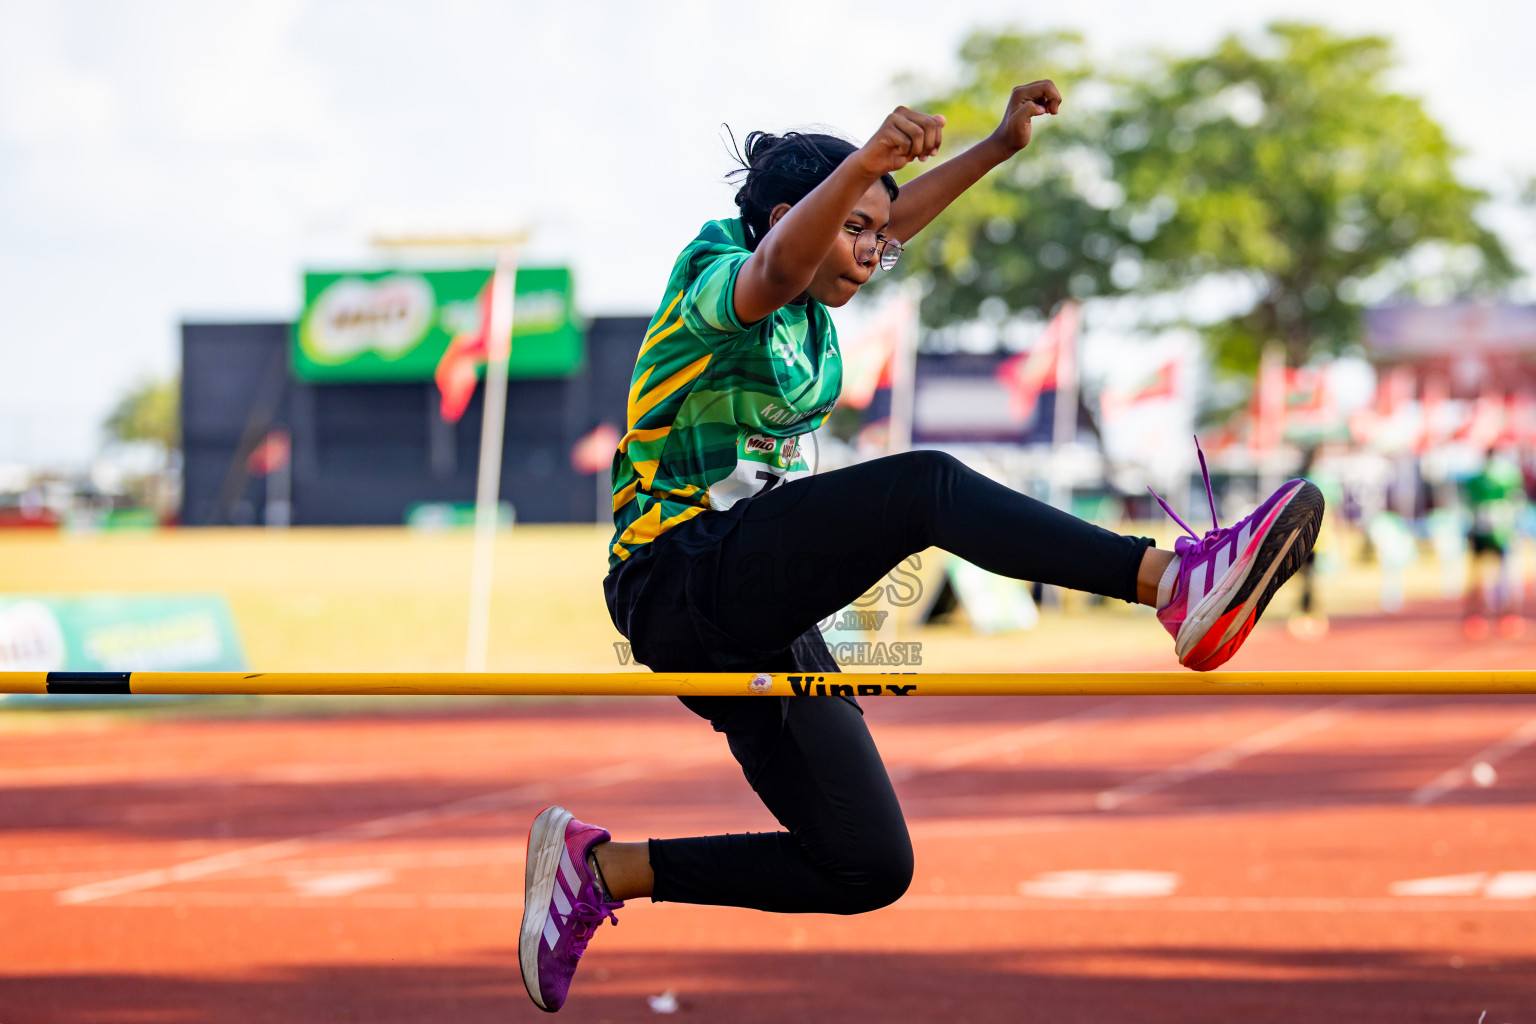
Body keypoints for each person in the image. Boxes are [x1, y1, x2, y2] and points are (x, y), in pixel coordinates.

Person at [519, 81, 1325, 1013]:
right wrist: (864, 161)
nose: (873, 252)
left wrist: (993, 150)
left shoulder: (816, 312)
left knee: (865, 861)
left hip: (746, 601)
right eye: (856, 230)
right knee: (922, 486)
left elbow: (880, 224)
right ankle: (1176, 583)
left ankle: (601, 870)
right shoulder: (719, 275)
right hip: (676, 575)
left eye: (877, 236)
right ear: (795, 217)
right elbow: (781, 264)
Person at [1463, 447, 1526, 639]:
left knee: (1498, 576)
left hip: (1496, 533)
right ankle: (1482, 616)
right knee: (1489, 576)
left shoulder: (1485, 480)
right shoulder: (1500, 479)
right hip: (1491, 532)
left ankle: (1501, 616)